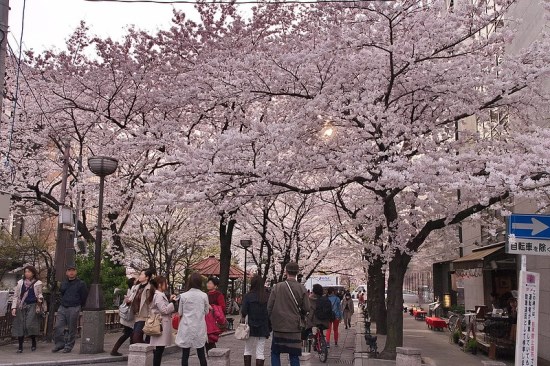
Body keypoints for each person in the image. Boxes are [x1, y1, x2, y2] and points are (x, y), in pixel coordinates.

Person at [268, 262, 309, 366]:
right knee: (294, 355)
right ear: (297, 273)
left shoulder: (277, 287)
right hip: (294, 327)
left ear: (286, 272)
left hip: (278, 326)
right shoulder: (302, 288)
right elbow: (307, 308)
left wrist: (269, 321)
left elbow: (269, 307)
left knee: (275, 353)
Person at [175, 273, 210, 366]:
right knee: (201, 353)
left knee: (185, 354)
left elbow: (180, 313)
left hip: (186, 326)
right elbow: (207, 312)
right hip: (199, 326)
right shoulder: (204, 295)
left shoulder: (183, 296)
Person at [52, 265, 88, 353]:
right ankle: (60, 344)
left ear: (76, 272)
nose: (71, 272)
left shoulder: (81, 283)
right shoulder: (64, 283)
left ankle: (69, 345)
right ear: (66, 273)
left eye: (73, 270)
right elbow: (61, 293)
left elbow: (84, 296)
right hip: (63, 306)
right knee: (58, 326)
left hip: (74, 306)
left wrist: (80, 305)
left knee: (72, 328)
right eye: (69, 270)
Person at [11, 265, 44, 353]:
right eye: (25, 272)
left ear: (33, 273)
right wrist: (14, 307)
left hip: (32, 305)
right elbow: (16, 296)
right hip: (21, 305)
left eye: (29, 272)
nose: (27, 273)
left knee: (30, 325)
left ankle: (33, 342)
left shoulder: (38, 283)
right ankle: (20, 346)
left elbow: (40, 294)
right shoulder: (20, 283)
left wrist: (40, 299)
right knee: (20, 326)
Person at [242, 275, 270, 366]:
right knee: (260, 352)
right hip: (263, 326)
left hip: (250, 326)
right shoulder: (266, 296)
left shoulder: (248, 296)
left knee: (248, 349)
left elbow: (244, 311)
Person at [149, 276, 177, 366]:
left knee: (159, 349)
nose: (167, 285)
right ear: (160, 285)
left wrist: (169, 301)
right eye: (165, 283)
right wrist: (172, 303)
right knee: (159, 349)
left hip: (161, 323)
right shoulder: (159, 295)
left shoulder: (158, 294)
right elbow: (164, 310)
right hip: (161, 324)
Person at [110, 277, 137, 356]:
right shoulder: (131, 292)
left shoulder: (129, 291)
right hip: (129, 317)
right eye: (135, 281)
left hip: (127, 317)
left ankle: (117, 350)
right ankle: (115, 350)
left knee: (129, 334)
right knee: (128, 334)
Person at [129, 269, 154, 344]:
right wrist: (128, 301)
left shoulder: (150, 288)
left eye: (142, 274)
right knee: (134, 338)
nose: (140, 276)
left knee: (136, 337)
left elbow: (151, 303)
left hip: (144, 316)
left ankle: (144, 350)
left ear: (147, 277)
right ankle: (144, 350)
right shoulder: (136, 287)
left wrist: (151, 316)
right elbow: (131, 298)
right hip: (135, 315)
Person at [205, 276, 225, 351]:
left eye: (210, 283)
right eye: (208, 283)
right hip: (205, 320)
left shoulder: (218, 295)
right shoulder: (205, 295)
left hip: (213, 321)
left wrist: (212, 308)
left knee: (211, 339)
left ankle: (213, 356)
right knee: (207, 340)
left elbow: (222, 308)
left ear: (215, 286)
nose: (208, 284)